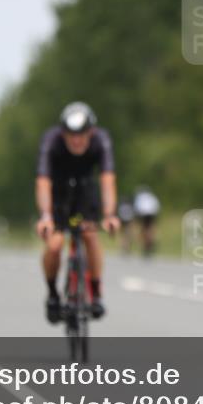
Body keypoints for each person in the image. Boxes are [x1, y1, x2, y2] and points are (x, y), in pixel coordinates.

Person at [36, 102, 120, 322]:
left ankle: (96, 292)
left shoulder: (101, 140)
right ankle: (53, 294)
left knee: (90, 235)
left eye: (82, 135)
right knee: (54, 246)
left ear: (91, 132)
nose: (76, 140)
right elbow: (43, 181)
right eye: (71, 135)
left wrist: (109, 214)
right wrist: (46, 216)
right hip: (58, 193)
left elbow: (107, 180)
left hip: (85, 191)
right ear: (62, 133)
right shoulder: (51, 140)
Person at [133, 186, 160, 257]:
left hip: (143, 213)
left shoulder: (140, 197)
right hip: (152, 213)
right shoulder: (152, 196)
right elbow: (157, 206)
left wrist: (136, 217)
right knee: (150, 227)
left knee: (143, 229)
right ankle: (151, 240)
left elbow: (137, 208)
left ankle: (145, 243)